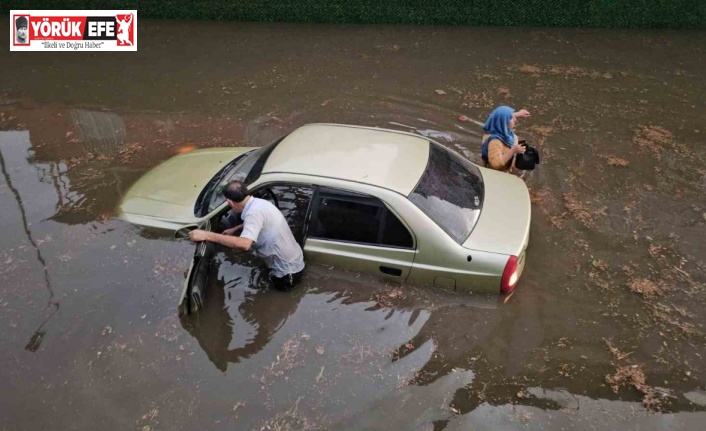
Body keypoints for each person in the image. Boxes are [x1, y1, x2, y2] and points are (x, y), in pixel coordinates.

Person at [188, 180, 305, 291]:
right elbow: (258, 222)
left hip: (286, 273)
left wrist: (207, 235)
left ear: (229, 202)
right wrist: (236, 228)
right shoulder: (260, 203)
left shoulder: (253, 214)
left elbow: (244, 244)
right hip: (295, 259)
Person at [480, 106, 531, 172]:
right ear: (504, 122)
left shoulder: (501, 129)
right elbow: (495, 164)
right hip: (494, 173)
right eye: (511, 118)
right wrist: (513, 151)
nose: (515, 120)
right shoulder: (495, 141)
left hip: (507, 166)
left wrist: (518, 114)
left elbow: (500, 116)